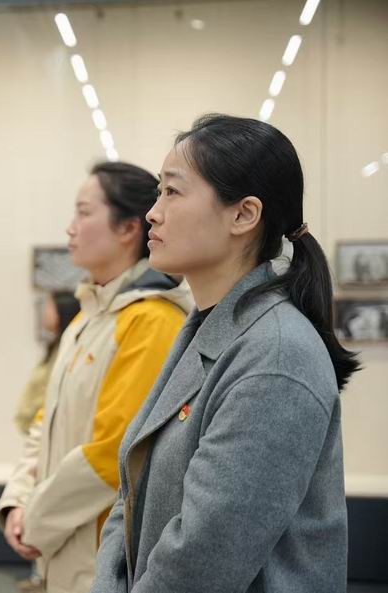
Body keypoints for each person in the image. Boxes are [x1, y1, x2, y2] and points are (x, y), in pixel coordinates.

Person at [90, 114, 362, 593]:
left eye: (172, 192)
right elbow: (132, 492)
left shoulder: (276, 355)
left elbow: (203, 559)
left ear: (243, 215)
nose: (153, 213)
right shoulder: (207, 329)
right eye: (158, 192)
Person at [0, 162, 193, 593]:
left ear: (128, 228)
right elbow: (44, 422)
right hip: (62, 544)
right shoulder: (87, 318)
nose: (70, 228)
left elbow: (113, 452)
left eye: (84, 213)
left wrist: (36, 521)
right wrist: (17, 501)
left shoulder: (151, 321)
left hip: (102, 554)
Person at [14, 291, 81, 435]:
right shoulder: (54, 348)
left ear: (62, 311)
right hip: (36, 429)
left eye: (50, 307)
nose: (44, 313)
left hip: (44, 429)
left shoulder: (67, 351)